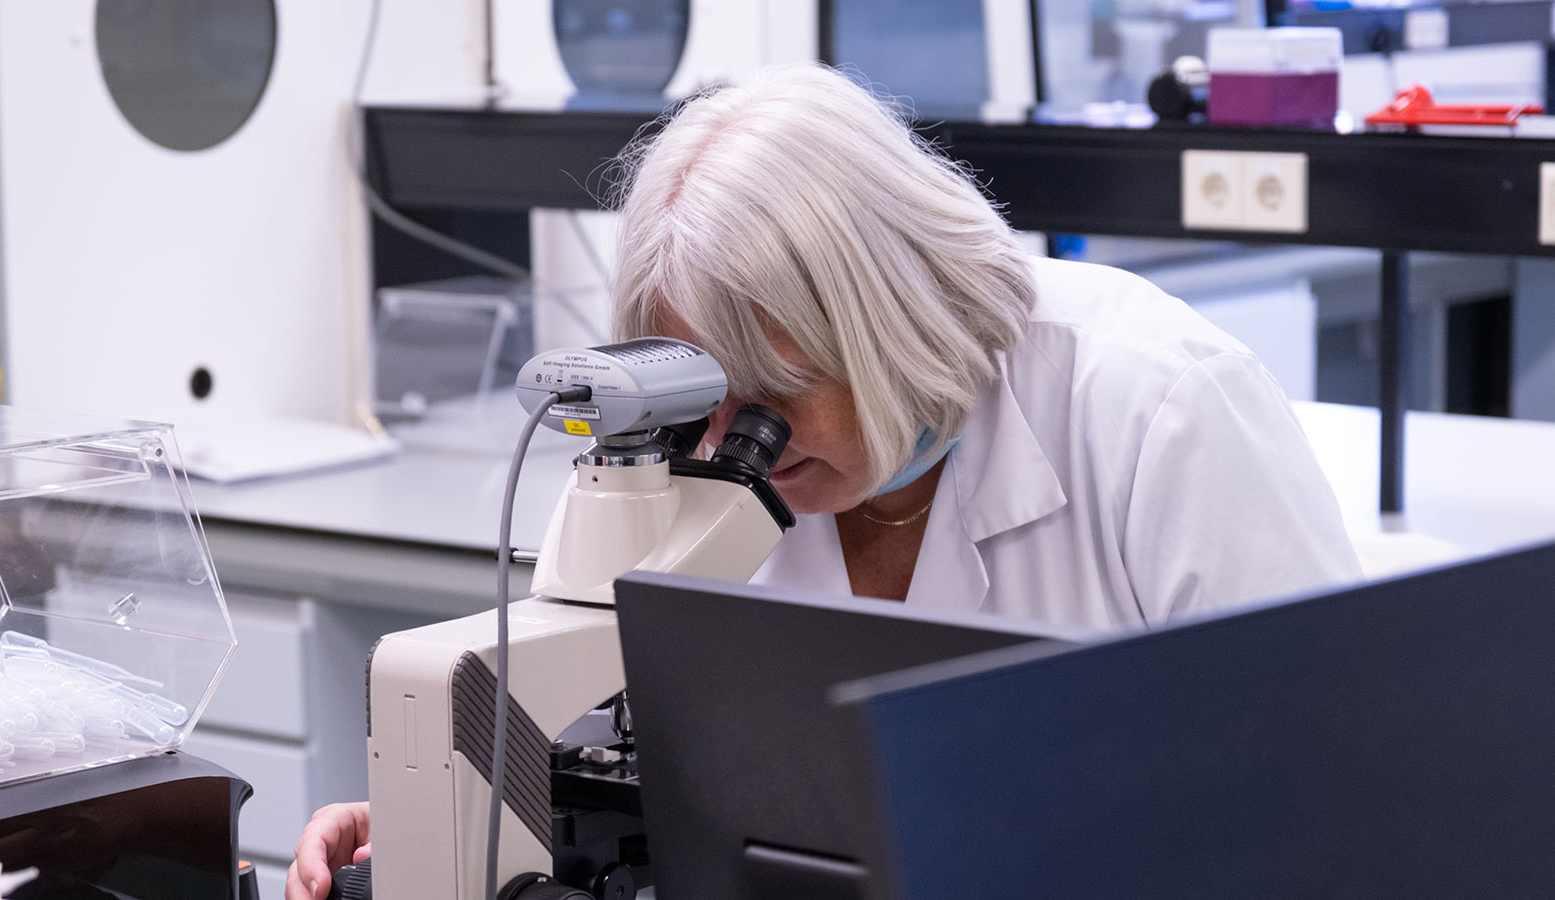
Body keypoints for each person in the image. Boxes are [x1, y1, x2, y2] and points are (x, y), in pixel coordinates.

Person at [287, 63, 1361, 898]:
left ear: (891, 318)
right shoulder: (724, 460)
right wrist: (448, 823)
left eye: (772, 390)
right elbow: (633, 759)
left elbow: (1333, 808)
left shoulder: (1156, 409)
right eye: (701, 395)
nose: (731, 439)